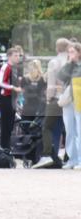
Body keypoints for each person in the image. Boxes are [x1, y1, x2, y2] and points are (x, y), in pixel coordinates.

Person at [35, 39, 71, 168]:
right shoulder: (70, 62)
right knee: (65, 129)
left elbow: (51, 84)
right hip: (69, 100)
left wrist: (49, 98)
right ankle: (68, 157)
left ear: (57, 48)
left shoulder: (54, 62)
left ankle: (48, 155)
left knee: (47, 127)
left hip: (56, 99)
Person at [56, 41, 81, 170]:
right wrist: (69, 63)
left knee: (80, 130)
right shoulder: (69, 65)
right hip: (68, 101)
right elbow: (60, 77)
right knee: (70, 131)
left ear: (79, 53)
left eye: (72, 52)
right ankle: (72, 159)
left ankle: (80, 160)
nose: (70, 54)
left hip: (79, 100)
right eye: (69, 52)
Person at [0, 48, 23, 150]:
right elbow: (0, 82)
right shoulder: (5, 67)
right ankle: (4, 146)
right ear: (9, 56)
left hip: (13, 97)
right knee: (6, 123)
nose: (17, 58)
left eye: (18, 55)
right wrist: (13, 87)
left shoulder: (15, 68)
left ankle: (7, 145)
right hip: (5, 97)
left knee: (11, 123)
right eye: (15, 56)